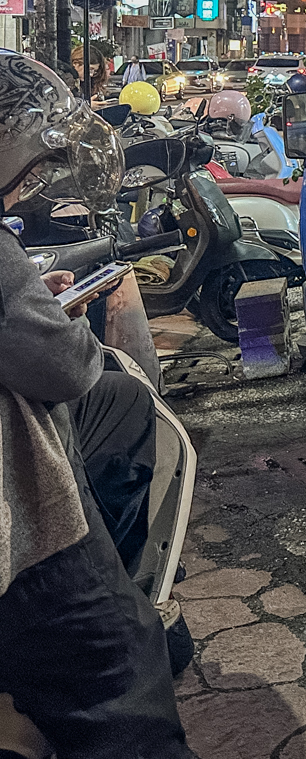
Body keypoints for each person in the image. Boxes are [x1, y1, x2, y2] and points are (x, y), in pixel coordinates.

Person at [0, 51, 196, 759]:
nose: (27, 183)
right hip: (26, 542)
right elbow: (68, 366)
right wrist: (54, 314)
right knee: (124, 680)